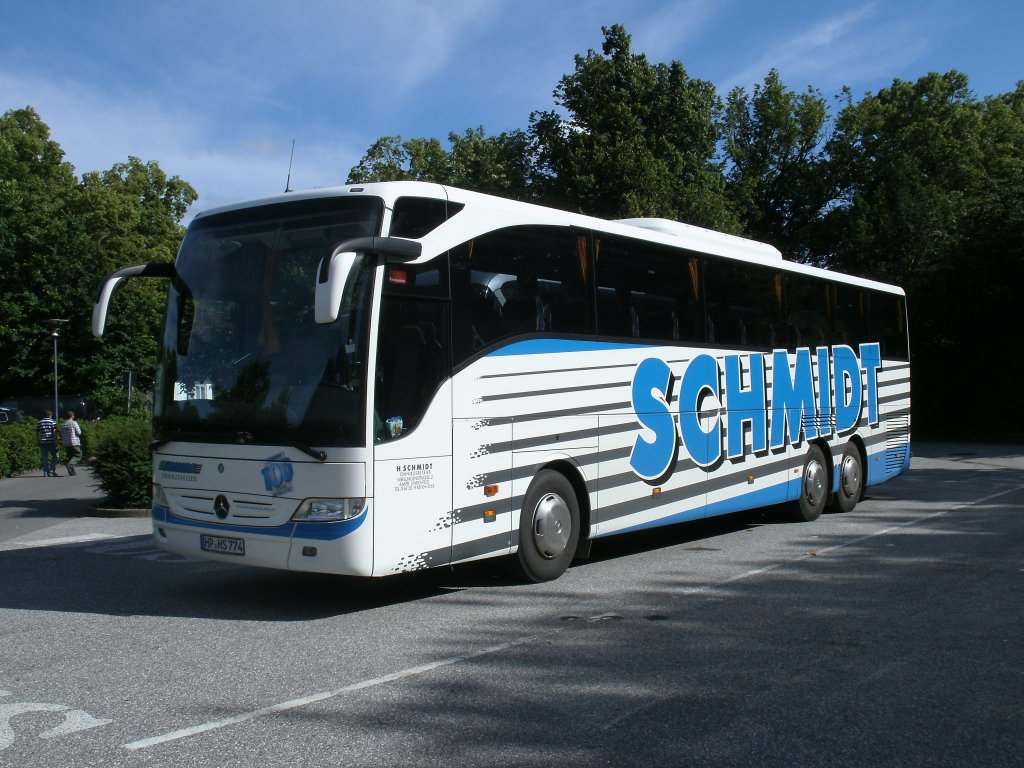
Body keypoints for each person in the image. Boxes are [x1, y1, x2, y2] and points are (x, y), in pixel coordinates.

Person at [60, 410, 83, 476]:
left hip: (66, 443)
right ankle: (70, 465)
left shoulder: (63, 424)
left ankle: (72, 471)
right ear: (72, 416)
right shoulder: (74, 423)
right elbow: (79, 432)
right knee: (78, 455)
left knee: (70, 457)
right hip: (74, 442)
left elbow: (61, 434)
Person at [37, 409, 59, 477]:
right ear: (50, 415)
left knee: (44, 458)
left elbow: (37, 433)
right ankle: (52, 468)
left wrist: (38, 441)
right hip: (52, 441)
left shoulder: (39, 422)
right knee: (56, 455)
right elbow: (55, 432)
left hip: (43, 442)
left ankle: (45, 473)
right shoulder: (53, 422)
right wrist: (56, 442)